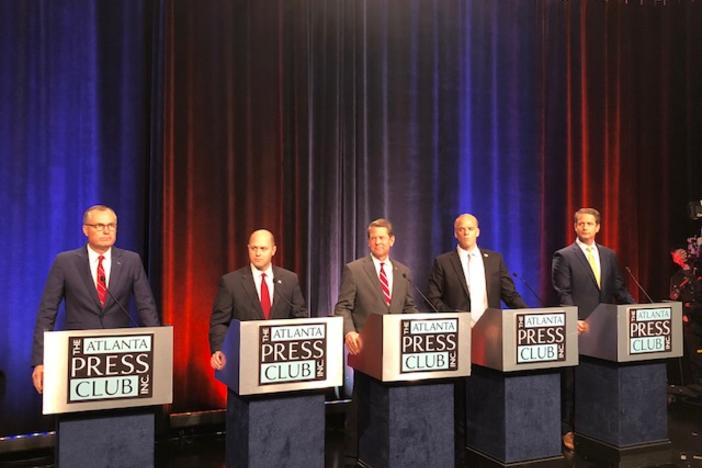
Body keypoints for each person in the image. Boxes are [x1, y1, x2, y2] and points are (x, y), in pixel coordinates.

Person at [31, 205, 160, 394]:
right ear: (85, 230)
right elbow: (46, 312)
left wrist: (155, 353)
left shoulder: (131, 261)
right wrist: (40, 360)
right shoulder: (65, 262)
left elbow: (146, 308)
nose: (107, 230)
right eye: (99, 225)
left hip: (120, 356)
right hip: (79, 357)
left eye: (111, 225)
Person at [333, 218, 418, 463]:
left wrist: (418, 326)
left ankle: (390, 448)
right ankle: (354, 453)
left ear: (392, 240)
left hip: (397, 349)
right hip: (367, 349)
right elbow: (343, 307)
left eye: (382, 237)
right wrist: (349, 332)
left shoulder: (403, 271)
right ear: (369, 241)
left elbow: (409, 306)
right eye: (373, 237)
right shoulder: (355, 269)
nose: (377, 241)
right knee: (363, 402)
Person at [551, 207, 634, 450]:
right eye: (580, 223)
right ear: (575, 226)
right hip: (580, 326)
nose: (584, 227)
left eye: (589, 223)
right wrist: (572, 318)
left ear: (598, 227)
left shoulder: (609, 255)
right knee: (572, 381)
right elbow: (563, 292)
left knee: (601, 377)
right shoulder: (564, 255)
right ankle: (568, 428)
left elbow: (619, 288)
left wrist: (637, 310)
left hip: (606, 326)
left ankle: (597, 426)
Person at [209, 229, 308, 370]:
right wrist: (219, 350)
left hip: (281, 362)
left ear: (273, 250)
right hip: (242, 360)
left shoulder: (289, 280)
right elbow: (219, 323)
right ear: (248, 249)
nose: (258, 253)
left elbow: (300, 318)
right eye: (254, 248)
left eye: (263, 248)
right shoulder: (231, 282)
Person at [427, 213, 527, 320]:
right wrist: (454, 318)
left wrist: (528, 315)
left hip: (490, 328)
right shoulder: (443, 262)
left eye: (470, 229)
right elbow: (432, 299)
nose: (466, 233)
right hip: (459, 329)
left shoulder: (494, 260)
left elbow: (509, 294)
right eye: (461, 229)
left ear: (477, 232)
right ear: (456, 234)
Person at [669, 248, 702, 385]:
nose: (682, 255)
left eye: (683, 252)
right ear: (675, 259)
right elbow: (673, 298)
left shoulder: (698, 270)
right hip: (691, 320)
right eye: (678, 254)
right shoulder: (677, 278)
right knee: (696, 356)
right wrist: (683, 314)